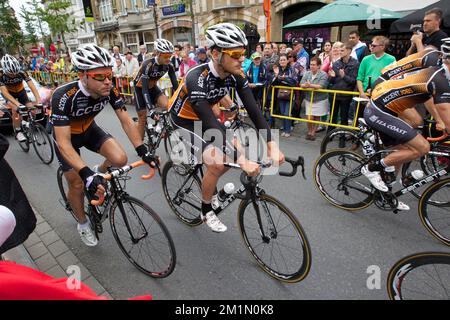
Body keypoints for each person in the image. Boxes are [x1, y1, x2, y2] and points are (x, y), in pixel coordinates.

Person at [167, 23, 284, 232]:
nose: (242, 59)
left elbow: (254, 111)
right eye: (236, 54)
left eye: (244, 53)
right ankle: (205, 209)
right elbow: (210, 124)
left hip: (203, 118)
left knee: (233, 152)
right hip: (183, 120)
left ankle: (211, 191)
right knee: (219, 162)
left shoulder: (236, 74)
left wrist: (271, 144)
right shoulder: (196, 77)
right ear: (215, 53)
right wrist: (242, 160)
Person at [51, 44, 156, 247]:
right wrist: (84, 172)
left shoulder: (110, 89)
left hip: (89, 130)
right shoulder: (63, 96)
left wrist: (143, 150)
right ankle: (82, 223)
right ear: (83, 75)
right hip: (67, 139)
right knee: (77, 184)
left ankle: (100, 170)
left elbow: (126, 120)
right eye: (100, 76)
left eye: (110, 75)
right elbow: (63, 142)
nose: (107, 81)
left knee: (120, 159)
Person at [361, 38, 450, 211]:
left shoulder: (436, 65)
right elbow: (440, 105)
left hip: (390, 95)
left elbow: (429, 96)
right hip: (381, 102)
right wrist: (441, 121)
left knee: (412, 131)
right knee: (422, 147)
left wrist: (440, 120)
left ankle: (389, 190)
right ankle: (371, 167)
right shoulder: (437, 76)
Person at [133, 39, 179, 140]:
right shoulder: (148, 65)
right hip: (140, 89)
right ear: (158, 53)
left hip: (153, 87)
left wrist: (181, 99)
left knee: (168, 106)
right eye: (166, 56)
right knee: (142, 116)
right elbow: (144, 90)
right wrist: (151, 110)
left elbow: (175, 85)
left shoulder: (169, 66)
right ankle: (141, 148)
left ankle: (160, 126)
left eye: (170, 56)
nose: (168, 59)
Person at [0, 55, 41, 142]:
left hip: (21, 91)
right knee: (15, 109)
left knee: (32, 110)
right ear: (5, 70)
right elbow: (4, 92)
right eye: (11, 74)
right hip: (9, 94)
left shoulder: (22, 72)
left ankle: (25, 124)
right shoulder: (1, 75)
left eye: (15, 73)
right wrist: (18, 104)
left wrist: (38, 100)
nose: (14, 75)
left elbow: (32, 87)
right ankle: (18, 131)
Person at [356, 36, 396, 120]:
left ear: (382, 47)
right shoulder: (366, 59)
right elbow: (359, 78)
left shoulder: (391, 59)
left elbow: (393, 78)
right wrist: (362, 93)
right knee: (360, 119)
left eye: (374, 45)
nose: (371, 47)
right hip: (365, 94)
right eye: (371, 45)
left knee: (378, 120)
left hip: (381, 95)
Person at [327, 42, 359, 146]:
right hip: (335, 93)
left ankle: (342, 138)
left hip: (346, 95)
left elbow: (353, 81)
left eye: (342, 50)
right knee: (333, 116)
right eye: (340, 50)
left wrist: (343, 76)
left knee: (344, 118)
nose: (340, 52)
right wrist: (331, 77)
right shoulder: (336, 63)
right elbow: (332, 81)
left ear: (349, 51)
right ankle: (329, 136)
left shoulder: (355, 63)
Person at [300, 57, 329, 141]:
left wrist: (309, 85)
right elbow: (301, 83)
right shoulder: (307, 73)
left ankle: (313, 132)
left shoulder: (323, 74)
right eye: (311, 64)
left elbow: (321, 85)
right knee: (309, 117)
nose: (311, 66)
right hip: (309, 98)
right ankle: (309, 131)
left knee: (317, 117)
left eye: (314, 65)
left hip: (320, 99)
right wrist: (304, 85)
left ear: (319, 66)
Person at [272, 54, 298, 137]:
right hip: (280, 95)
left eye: (284, 60)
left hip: (290, 95)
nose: (282, 61)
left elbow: (294, 82)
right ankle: (284, 129)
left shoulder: (292, 69)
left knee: (287, 113)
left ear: (287, 61)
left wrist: (284, 79)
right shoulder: (277, 70)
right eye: (281, 60)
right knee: (282, 113)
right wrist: (277, 77)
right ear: (279, 62)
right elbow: (273, 83)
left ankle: (288, 131)